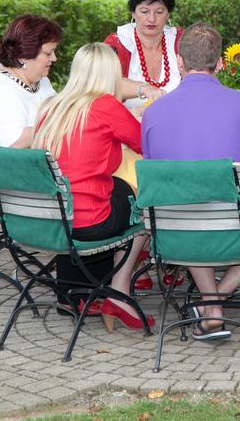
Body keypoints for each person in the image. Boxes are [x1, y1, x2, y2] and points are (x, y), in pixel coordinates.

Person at [141, 23, 240, 340]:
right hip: (233, 230)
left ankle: (212, 306)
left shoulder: (152, 113)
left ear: (179, 62)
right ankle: (215, 299)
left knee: (191, 204)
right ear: (222, 63)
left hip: (173, 230)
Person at [32, 43, 153, 332]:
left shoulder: (51, 107)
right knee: (146, 200)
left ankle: (78, 290)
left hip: (52, 221)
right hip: (89, 223)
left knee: (110, 190)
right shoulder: (105, 106)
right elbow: (145, 143)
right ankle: (119, 291)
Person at [0, 14, 62, 200]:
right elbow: (14, 146)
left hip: (35, 177)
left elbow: (60, 110)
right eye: (48, 53)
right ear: (23, 56)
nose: (54, 58)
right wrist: (60, 121)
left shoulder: (40, 81)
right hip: (2, 191)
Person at [104, 0, 182, 109]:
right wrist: (143, 88)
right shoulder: (118, 42)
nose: (151, 19)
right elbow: (105, 84)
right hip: (127, 127)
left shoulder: (181, 40)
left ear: (168, 13)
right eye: (144, 11)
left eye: (159, 12)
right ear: (133, 12)